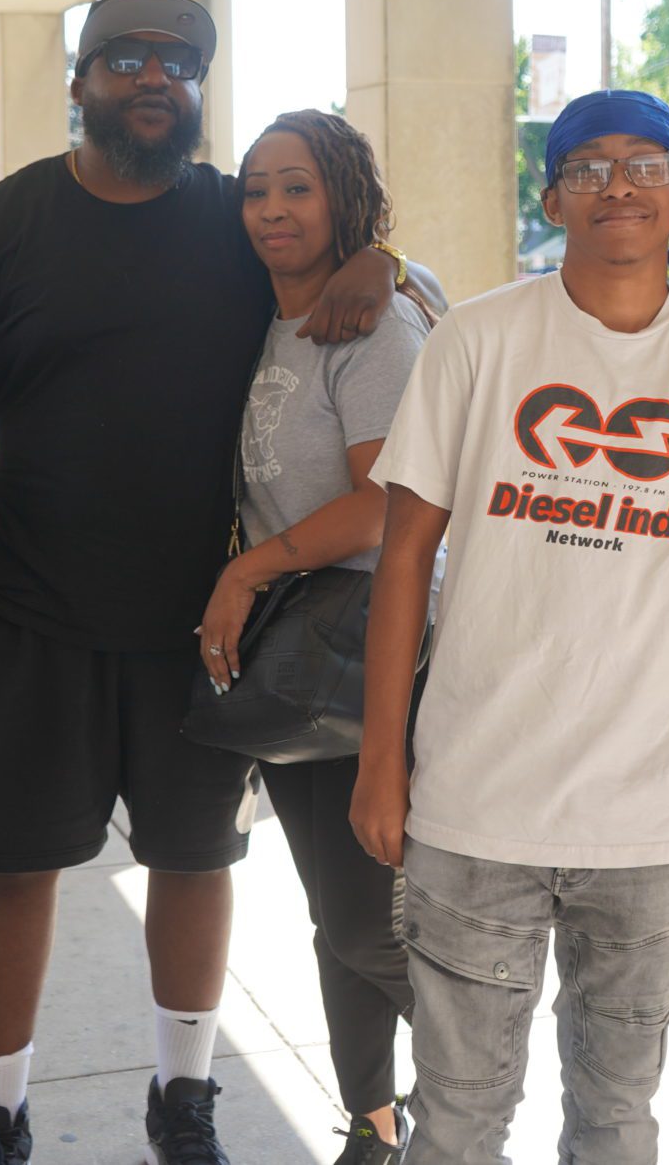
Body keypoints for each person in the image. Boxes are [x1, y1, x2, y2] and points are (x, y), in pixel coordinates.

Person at [0, 0, 399, 1165]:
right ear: (79, 80)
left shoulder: (228, 217)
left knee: (195, 861)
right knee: (14, 867)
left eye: (177, 64)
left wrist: (379, 256)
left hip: (202, 623)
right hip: (24, 618)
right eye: (124, 59)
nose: (152, 78)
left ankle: (184, 1099)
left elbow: (327, 243)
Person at [352, 89, 669, 1165]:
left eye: (645, 166)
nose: (618, 188)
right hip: (475, 800)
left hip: (651, 811)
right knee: (456, 1120)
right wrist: (381, 762)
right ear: (552, 196)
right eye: (587, 169)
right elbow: (403, 556)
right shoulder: (477, 339)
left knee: (615, 1121)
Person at [197, 109, 436, 1165]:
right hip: (302, 664)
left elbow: (388, 499)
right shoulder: (271, 316)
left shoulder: (374, 325)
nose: (272, 210)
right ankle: (375, 1125)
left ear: (343, 195)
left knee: (367, 925)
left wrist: (248, 568)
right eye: (257, 190)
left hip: (379, 654)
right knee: (333, 917)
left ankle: (484, 1101)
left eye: (297, 187)